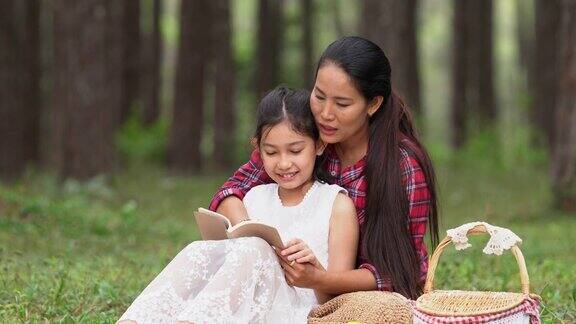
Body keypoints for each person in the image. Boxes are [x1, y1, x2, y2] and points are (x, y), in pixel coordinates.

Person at [211, 36, 439, 300]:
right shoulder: (306, 140)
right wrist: (252, 235)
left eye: (342, 104)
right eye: (319, 96)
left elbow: (396, 272)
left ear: (373, 104)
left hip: (372, 298)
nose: (325, 114)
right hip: (297, 289)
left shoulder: (402, 167)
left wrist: (320, 279)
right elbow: (231, 191)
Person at [117, 87, 358, 323]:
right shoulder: (254, 197)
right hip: (246, 305)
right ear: (258, 149)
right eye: (272, 153)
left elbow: (338, 299)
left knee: (256, 247)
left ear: (318, 145)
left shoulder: (336, 204)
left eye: (295, 151)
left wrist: (314, 274)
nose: (284, 163)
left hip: (298, 310)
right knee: (197, 249)